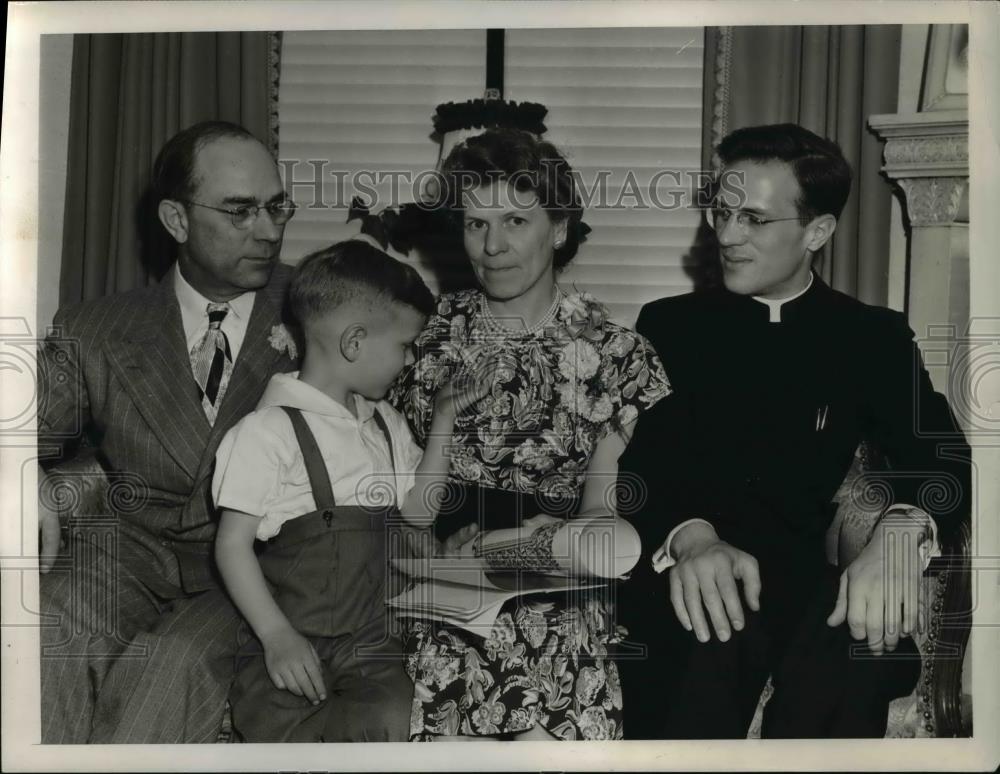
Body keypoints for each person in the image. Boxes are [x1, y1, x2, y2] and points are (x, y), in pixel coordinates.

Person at [617, 123, 971, 738]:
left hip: (808, 587)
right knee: (699, 651)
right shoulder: (669, 326)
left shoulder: (871, 338)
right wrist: (690, 538)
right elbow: (640, 467)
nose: (727, 235)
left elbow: (946, 458)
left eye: (753, 220)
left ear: (817, 232)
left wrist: (900, 528)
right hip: (693, 573)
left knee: (861, 653)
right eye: (721, 213)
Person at [390, 128, 671, 740]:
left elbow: (600, 509)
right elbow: (394, 484)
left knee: (542, 621)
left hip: (558, 573)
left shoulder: (616, 352)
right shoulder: (423, 337)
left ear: (560, 228)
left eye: (516, 220)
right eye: (475, 224)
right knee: (473, 634)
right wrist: (429, 556)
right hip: (437, 577)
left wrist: (540, 542)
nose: (492, 246)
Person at [36, 121, 300, 743]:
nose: (268, 231)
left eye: (276, 207)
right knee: (48, 628)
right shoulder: (96, 327)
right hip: (126, 554)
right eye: (240, 211)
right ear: (176, 221)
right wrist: (20, 479)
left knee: (169, 673)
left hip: (256, 569)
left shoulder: (319, 302)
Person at [212, 240, 491, 741]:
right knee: (286, 732)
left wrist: (444, 421)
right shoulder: (267, 432)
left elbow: (420, 513)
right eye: (405, 346)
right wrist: (276, 635)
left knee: (397, 717)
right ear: (355, 342)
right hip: (294, 635)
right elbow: (231, 545)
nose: (408, 361)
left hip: (371, 641)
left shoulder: (383, 423)